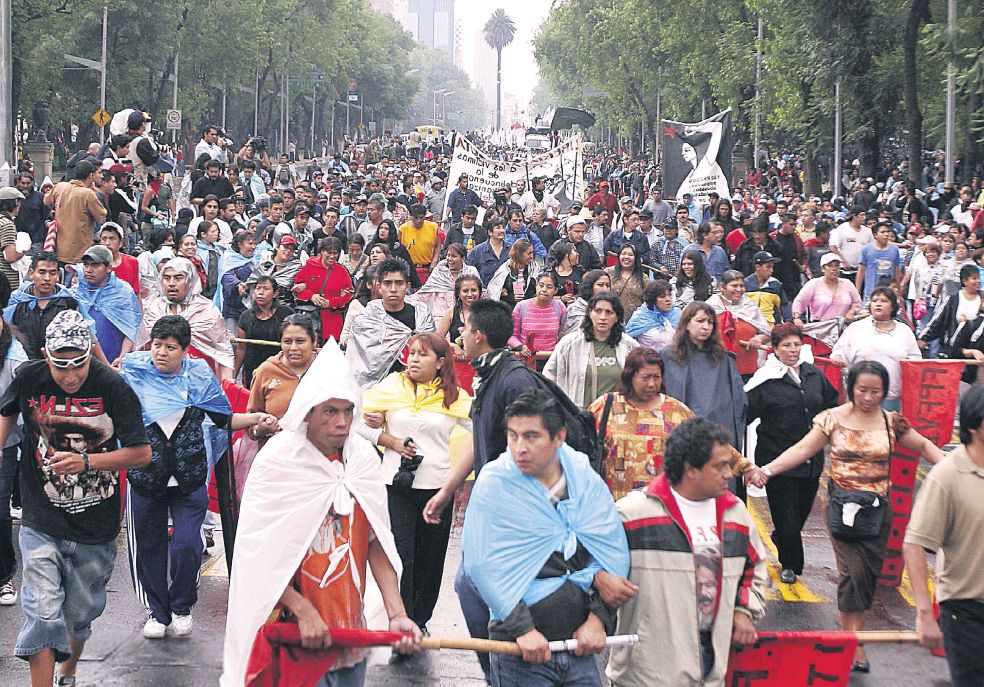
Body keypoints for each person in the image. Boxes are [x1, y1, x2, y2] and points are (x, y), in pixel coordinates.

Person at [221, 340, 421, 687]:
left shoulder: (361, 460)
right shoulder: (280, 462)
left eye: (348, 411)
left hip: (348, 634)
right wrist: (301, 609)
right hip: (293, 636)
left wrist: (397, 612)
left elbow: (375, 541)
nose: (342, 422)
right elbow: (259, 556)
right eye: (330, 411)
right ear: (307, 411)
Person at [754, 360, 943, 672]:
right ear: (851, 388)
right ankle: (851, 643)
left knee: (868, 577)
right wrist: (767, 470)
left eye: (876, 391)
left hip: (879, 511)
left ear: (885, 392)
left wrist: (953, 465)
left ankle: (854, 634)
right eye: (862, 390)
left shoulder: (891, 422)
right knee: (851, 574)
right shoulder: (831, 420)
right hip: (842, 509)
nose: (868, 397)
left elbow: (923, 445)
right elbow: (802, 450)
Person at [0, 310, 150, 687]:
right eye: (61, 366)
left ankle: (68, 670)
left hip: (95, 523)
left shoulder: (113, 385)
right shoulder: (29, 376)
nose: (70, 376)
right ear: (46, 357)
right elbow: (5, 414)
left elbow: (141, 453)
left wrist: (87, 461)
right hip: (41, 517)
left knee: (78, 615)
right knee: (42, 612)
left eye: (79, 366)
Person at [462, 390, 631, 687]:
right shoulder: (495, 484)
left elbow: (611, 553)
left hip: (580, 644)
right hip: (519, 649)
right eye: (512, 436)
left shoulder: (583, 479)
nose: (519, 448)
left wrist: (598, 621)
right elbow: (482, 565)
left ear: (559, 437)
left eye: (531, 436)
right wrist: (522, 629)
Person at [120, 316, 274, 640]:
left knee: (187, 545)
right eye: (157, 345)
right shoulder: (134, 372)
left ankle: (181, 605)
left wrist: (256, 418)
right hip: (147, 478)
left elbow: (223, 418)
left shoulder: (199, 377)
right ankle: (157, 612)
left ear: (185, 351)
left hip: (188, 476)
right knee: (150, 548)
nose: (161, 352)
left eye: (170, 347)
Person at [607, 416, 767, 687]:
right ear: (690, 469)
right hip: (646, 672)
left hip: (711, 667)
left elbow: (754, 568)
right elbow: (592, 571)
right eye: (720, 466)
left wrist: (744, 610)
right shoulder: (632, 515)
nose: (729, 474)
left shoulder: (736, 513)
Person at [359, 333, 473, 633]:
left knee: (430, 560)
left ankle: (420, 619)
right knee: (399, 556)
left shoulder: (455, 397)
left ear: (440, 363)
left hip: (439, 490)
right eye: (411, 353)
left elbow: (482, 431)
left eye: (422, 355)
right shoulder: (391, 387)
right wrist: (390, 440)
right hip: (396, 487)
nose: (413, 360)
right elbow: (356, 422)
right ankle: (400, 618)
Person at [455, 299, 542, 681]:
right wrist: (448, 491)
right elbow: (481, 439)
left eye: (464, 328)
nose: (459, 336)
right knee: (470, 585)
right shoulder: (487, 375)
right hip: (490, 503)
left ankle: (505, 672)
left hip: (513, 509)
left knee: (481, 586)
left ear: (479, 336)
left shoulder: (514, 380)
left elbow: (530, 449)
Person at [744, 323, 839, 583]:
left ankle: (783, 539)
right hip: (776, 459)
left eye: (796, 344)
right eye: (786, 345)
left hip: (811, 460)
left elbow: (832, 404)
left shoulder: (813, 374)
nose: (792, 350)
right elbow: (745, 414)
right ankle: (791, 564)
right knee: (785, 515)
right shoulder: (765, 380)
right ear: (774, 349)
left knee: (800, 513)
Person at [904, 383, 984, 687]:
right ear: (976, 425)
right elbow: (915, 544)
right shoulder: (948, 475)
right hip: (965, 613)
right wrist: (925, 613)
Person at [587, 347, 693, 500]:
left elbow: (705, 441)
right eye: (645, 377)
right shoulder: (606, 406)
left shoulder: (676, 411)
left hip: (659, 507)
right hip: (611, 505)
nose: (651, 384)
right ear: (630, 377)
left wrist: (740, 465)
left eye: (656, 377)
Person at [659, 302, 747, 451]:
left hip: (717, 433)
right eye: (700, 321)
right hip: (679, 433)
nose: (706, 326)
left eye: (710, 322)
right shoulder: (667, 356)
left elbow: (738, 402)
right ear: (687, 323)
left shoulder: (724, 359)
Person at [136, 257, 235, 381]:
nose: (171, 283)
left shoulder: (206, 311)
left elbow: (223, 353)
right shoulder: (154, 308)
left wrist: (226, 386)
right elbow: (141, 348)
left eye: (178, 278)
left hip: (199, 382)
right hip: (158, 382)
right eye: (167, 278)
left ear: (190, 280)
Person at [346, 258, 435, 387]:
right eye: (387, 283)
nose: (393, 289)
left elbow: (432, 351)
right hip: (377, 389)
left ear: (407, 286)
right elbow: (358, 364)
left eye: (399, 283)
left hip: (417, 386)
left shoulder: (421, 314)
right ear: (379, 286)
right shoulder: (366, 320)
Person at [830, 286, 921, 411]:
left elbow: (916, 359)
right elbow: (839, 350)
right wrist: (837, 357)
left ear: (893, 307)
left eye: (884, 301)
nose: (878, 304)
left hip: (891, 395)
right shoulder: (856, 328)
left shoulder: (904, 331)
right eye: (875, 300)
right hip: (859, 395)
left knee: (887, 428)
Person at [545, 293, 639, 408]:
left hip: (616, 419)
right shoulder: (569, 343)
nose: (603, 317)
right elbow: (549, 377)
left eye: (609, 312)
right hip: (578, 417)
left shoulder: (630, 346)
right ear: (589, 313)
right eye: (598, 311)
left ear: (617, 317)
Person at [69, 245, 141, 368]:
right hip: (80, 363)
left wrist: (122, 357)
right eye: (86, 265)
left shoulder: (123, 293)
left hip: (114, 361)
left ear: (108, 268)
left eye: (95, 265)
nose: (88, 270)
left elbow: (131, 329)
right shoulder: (76, 293)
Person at [246, 314, 319, 435]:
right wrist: (259, 430)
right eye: (287, 342)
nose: (294, 348)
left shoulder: (329, 369)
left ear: (314, 341)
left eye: (300, 341)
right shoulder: (266, 371)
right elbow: (251, 420)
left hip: (322, 451)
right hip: (276, 451)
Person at [43, 160, 108, 266]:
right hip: (80, 253)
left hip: (59, 249)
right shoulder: (88, 194)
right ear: (90, 176)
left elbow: (46, 200)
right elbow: (101, 216)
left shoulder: (61, 187)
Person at [290, 237, 354, 344]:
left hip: (333, 321)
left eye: (335, 253)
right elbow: (297, 289)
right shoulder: (309, 267)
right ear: (321, 251)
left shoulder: (342, 271)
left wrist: (331, 302)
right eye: (329, 252)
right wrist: (312, 296)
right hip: (312, 320)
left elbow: (349, 294)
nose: (332, 256)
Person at [234, 276, 294, 388]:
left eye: (266, 289)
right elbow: (241, 348)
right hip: (252, 370)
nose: (260, 293)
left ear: (275, 293)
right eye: (258, 288)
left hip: (279, 370)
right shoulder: (246, 317)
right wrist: (233, 376)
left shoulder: (286, 314)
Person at [918, 263, 982, 358]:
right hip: (956, 350)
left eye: (978, 278)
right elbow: (938, 320)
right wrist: (924, 339)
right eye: (974, 278)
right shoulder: (953, 299)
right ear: (965, 281)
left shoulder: (982, 298)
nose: (978, 281)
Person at [411, 243, 479, 322]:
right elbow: (425, 293)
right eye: (448, 255)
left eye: (453, 256)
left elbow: (480, 294)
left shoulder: (471, 271)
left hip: (466, 316)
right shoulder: (439, 272)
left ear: (463, 258)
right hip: (440, 317)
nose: (449, 259)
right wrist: (406, 301)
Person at [509, 272, 566, 361]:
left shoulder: (560, 307)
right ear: (536, 286)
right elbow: (512, 336)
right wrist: (521, 347)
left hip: (552, 360)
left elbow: (564, 335)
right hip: (525, 360)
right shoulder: (521, 307)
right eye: (541, 285)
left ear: (555, 291)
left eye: (549, 287)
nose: (544, 290)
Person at [792, 253, 863, 323]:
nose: (834, 269)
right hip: (820, 326)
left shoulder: (847, 283)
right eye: (830, 266)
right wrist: (797, 317)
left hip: (843, 325)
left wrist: (851, 313)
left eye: (837, 266)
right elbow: (800, 301)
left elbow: (857, 302)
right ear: (823, 268)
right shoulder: (814, 283)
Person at [216, 230, 257, 330]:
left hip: (250, 310)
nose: (253, 247)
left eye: (255, 244)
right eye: (250, 243)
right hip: (233, 311)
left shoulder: (253, 260)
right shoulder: (228, 259)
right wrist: (238, 285)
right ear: (239, 244)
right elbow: (227, 277)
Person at [625, 280, 680, 350]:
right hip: (650, 359)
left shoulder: (677, 314)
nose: (668, 299)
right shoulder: (641, 317)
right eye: (662, 296)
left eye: (669, 295)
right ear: (652, 299)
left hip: (675, 359)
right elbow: (627, 341)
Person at [250, 234, 302, 309]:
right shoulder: (264, 262)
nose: (288, 251)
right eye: (286, 247)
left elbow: (303, 281)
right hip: (259, 306)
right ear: (277, 247)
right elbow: (252, 281)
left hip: (283, 308)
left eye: (292, 249)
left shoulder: (295, 266)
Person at [856, 221, 903, 300]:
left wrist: (898, 290)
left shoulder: (894, 249)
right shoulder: (866, 250)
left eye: (887, 232)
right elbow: (861, 271)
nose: (886, 234)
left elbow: (897, 271)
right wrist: (857, 291)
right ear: (875, 235)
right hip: (871, 292)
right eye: (882, 232)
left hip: (889, 293)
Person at [605, 244, 649, 320]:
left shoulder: (643, 278)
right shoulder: (608, 273)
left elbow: (648, 301)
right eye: (623, 254)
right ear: (619, 256)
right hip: (610, 318)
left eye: (630, 255)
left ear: (636, 258)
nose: (626, 257)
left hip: (635, 321)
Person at [561, 269, 611, 338]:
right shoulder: (575, 308)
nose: (605, 289)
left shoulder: (613, 308)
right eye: (600, 285)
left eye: (608, 286)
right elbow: (572, 336)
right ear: (590, 286)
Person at [548, 240, 585, 307]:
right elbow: (543, 295)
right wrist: (561, 298)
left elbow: (588, 290)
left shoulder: (580, 270)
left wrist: (577, 298)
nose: (578, 254)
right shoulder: (550, 274)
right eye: (575, 251)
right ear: (566, 254)